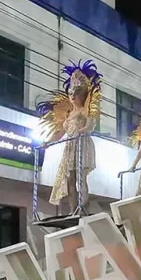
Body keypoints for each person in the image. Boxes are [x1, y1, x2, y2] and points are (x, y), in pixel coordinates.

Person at [37, 60, 102, 213]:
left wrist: (82, 131)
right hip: (70, 147)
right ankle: (73, 209)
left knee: (81, 178)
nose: (73, 96)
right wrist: (48, 142)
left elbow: (91, 125)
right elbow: (60, 132)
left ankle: (83, 205)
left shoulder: (84, 111)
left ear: (83, 94)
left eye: (77, 93)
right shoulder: (69, 115)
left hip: (82, 144)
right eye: (71, 93)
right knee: (70, 179)